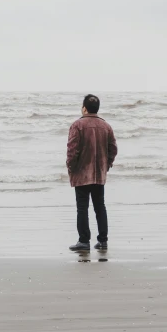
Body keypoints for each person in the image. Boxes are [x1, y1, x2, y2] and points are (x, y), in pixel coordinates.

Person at [66, 94, 118, 251]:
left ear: (84, 108)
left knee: (82, 207)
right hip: (99, 173)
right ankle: (103, 240)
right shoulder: (106, 126)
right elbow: (113, 149)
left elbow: (72, 151)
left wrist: (71, 167)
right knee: (99, 206)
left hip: (82, 173)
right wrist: (107, 164)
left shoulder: (77, 125)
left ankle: (84, 241)